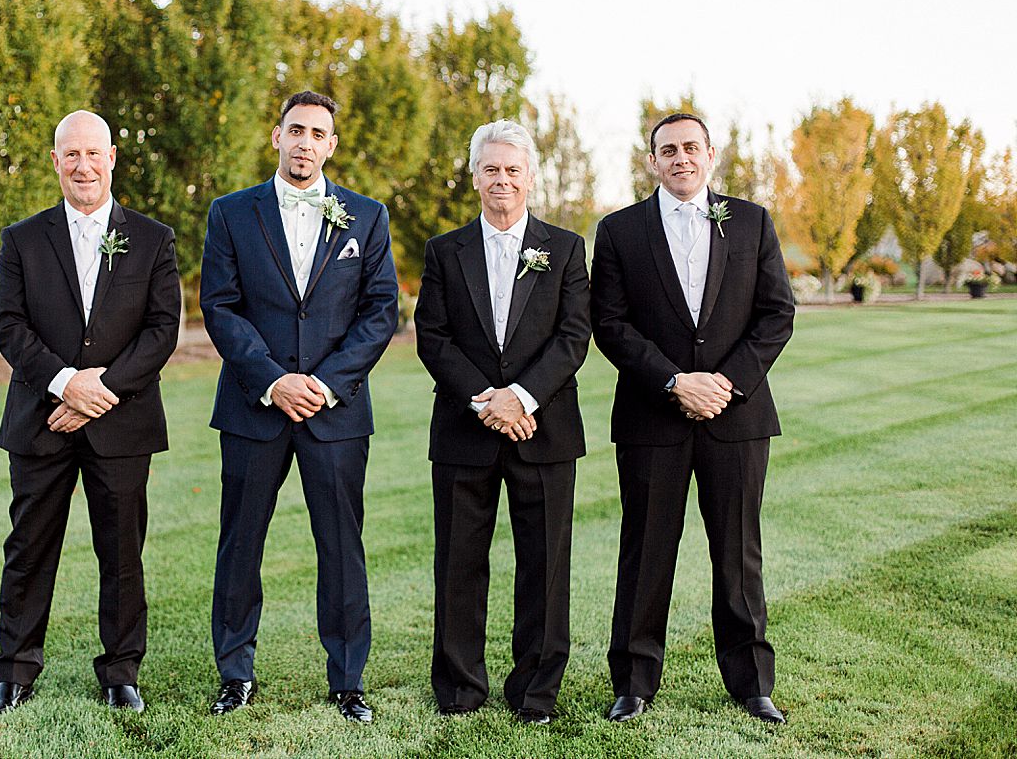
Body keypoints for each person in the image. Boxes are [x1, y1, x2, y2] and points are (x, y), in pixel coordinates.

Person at [199, 91, 399, 723]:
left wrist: (327, 383)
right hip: (254, 408)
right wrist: (272, 381)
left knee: (342, 546)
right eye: (296, 131)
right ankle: (235, 674)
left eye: (318, 134)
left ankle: (348, 681)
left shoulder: (366, 217)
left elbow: (380, 310)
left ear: (331, 145)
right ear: (276, 136)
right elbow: (220, 305)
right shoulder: (232, 213)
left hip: (335, 412)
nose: (306, 142)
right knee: (241, 544)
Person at [589, 113, 794, 724]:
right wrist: (675, 381)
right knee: (646, 550)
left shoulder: (752, 221)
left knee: (737, 553)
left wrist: (724, 384)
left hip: (737, 416)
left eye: (691, 148)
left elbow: (777, 313)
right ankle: (633, 682)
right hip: (654, 417)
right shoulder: (620, 231)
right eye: (667, 150)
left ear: (711, 154)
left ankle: (753, 682)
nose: (680, 158)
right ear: (651, 160)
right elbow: (611, 323)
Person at [0, 110, 181, 713]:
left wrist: (100, 392)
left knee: (122, 551)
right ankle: (15, 670)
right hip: (41, 420)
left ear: (112, 157)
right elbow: (8, 324)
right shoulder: (23, 238)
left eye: (93, 153)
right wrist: (66, 383)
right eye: (71, 154)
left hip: (121, 424)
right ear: (55, 161)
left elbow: (161, 330)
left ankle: (121, 671)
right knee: (29, 548)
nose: (83, 165)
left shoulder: (153, 239)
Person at [414, 119, 591, 725]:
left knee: (545, 564)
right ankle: (460, 686)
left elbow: (573, 336)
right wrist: (485, 400)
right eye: (491, 169)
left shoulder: (566, 248)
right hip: (466, 427)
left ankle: (536, 691)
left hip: (545, 429)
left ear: (532, 178)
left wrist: (520, 397)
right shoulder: (444, 251)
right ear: (474, 177)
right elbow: (432, 339)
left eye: (513, 169)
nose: (502, 179)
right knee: (459, 561)